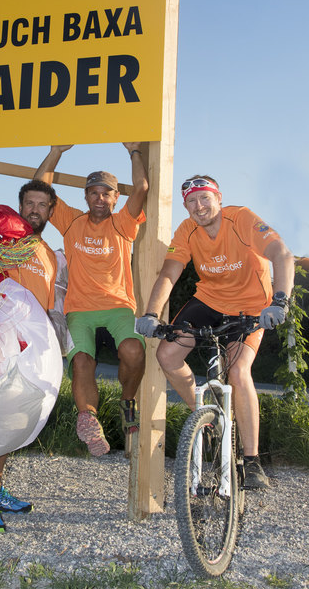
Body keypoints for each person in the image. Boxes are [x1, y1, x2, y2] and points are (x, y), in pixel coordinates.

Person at [136, 175, 294, 488]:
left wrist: (280, 302)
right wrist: (151, 313)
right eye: (192, 201)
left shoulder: (242, 218)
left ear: (218, 198)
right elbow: (170, 272)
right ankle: (208, 418)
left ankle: (251, 461)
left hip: (250, 306)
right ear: (186, 206)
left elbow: (282, 254)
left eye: (205, 198)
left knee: (238, 372)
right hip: (208, 300)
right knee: (167, 354)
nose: (199, 206)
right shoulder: (186, 230)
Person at [34, 143, 148, 456]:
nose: (100, 198)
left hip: (118, 306)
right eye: (94, 192)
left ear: (115, 198)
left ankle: (127, 400)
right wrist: (57, 151)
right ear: (86, 197)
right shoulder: (72, 222)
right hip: (80, 309)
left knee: (134, 349)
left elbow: (142, 187)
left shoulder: (123, 224)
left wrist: (134, 152)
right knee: (82, 360)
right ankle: (88, 419)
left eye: (106, 193)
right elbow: (40, 190)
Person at [0, 179, 59, 533]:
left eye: (42, 205)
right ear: (20, 206)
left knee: (15, 419)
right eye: (29, 203)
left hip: (30, 351)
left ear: (50, 211)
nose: (35, 210)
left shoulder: (49, 256)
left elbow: (45, 313)